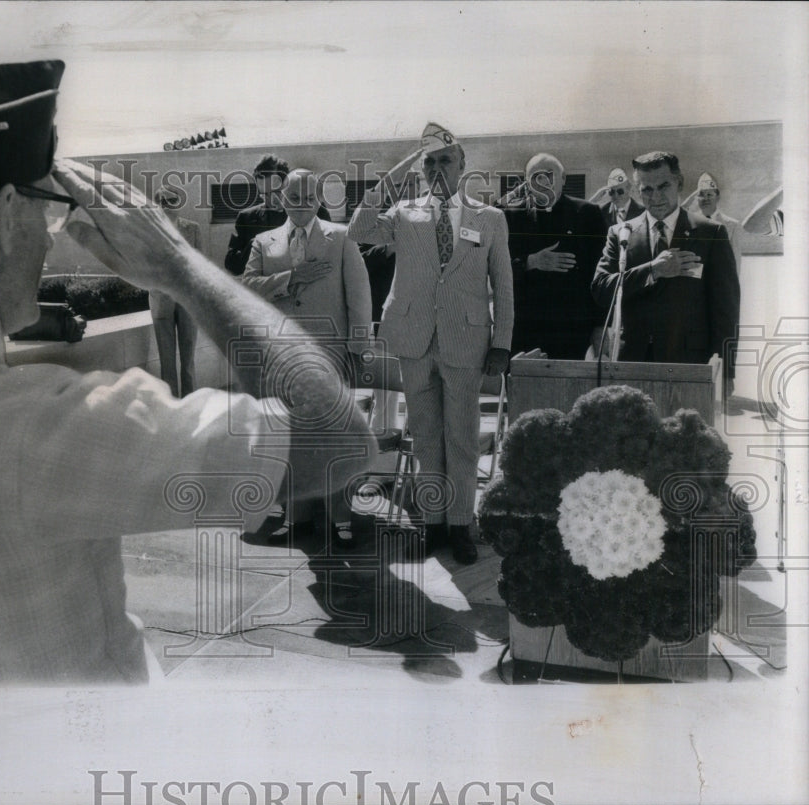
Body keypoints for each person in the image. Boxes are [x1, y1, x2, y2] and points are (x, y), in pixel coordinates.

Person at [0, 54, 374, 685]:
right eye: (45, 208)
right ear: (8, 214)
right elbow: (336, 438)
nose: (46, 232)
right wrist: (177, 265)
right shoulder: (45, 427)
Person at [348, 123, 513, 564]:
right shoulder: (404, 213)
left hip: (466, 339)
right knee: (424, 436)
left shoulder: (490, 218)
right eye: (430, 162)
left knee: (461, 436)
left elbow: (504, 283)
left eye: (446, 160)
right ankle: (432, 522)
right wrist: (393, 175)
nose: (438, 168)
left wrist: (502, 341)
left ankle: (461, 524)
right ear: (420, 169)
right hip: (413, 338)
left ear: (463, 166)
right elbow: (358, 228)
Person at [242, 169, 372, 538]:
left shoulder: (342, 238)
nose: (300, 205)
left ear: (319, 201)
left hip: (329, 355)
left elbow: (360, 300)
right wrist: (293, 277)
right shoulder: (263, 242)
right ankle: (295, 518)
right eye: (293, 197)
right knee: (289, 437)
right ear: (281, 199)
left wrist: (358, 350)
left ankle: (340, 518)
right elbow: (246, 287)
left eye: (308, 198)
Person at [591, 151, 740, 396]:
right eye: (646, 189)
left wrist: (726, 370)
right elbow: (600, 289)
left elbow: (726, 309)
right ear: (637, 191)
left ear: (679, 183)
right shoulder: (621, 234)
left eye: (663, 186)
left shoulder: (710, 234)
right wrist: (652, 270)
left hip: (689, 363)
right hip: (633, 362)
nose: (655, 196)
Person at [500, 153, 608, 360]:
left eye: (549, 175)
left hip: (571, 331)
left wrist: (600, 326)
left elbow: (601, 273)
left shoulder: (587, 214)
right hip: (525, 327)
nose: (542, 182)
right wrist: (531, 262)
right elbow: (497, 270)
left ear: (564, 178)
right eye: (535, 176)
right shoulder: (510, 216)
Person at [223, 154, 330, 276]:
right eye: (265, 194)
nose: (271, 200)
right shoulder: (246, 218)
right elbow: (231, 264)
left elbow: (331, 254)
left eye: (276, 192)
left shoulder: (316, 211)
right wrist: (257, 245)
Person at [148, 186, 200, 396]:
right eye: (162, 201)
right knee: (166, 360)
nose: (167, 205)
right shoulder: (149, 231)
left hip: (188, 300)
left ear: (178, 203)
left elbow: (201, 264)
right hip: (161, 301)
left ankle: (190, 402)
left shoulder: (193, 229)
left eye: (171, 201)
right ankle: (170, 404)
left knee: (188, 359)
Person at [691, 172, 742, 268]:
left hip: (720, 280)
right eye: (701, 195)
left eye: (709, 194)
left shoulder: (731, 225)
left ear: (717, 197)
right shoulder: (689, 223)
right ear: (697, 199)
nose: (705, 198)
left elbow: (735, 262)